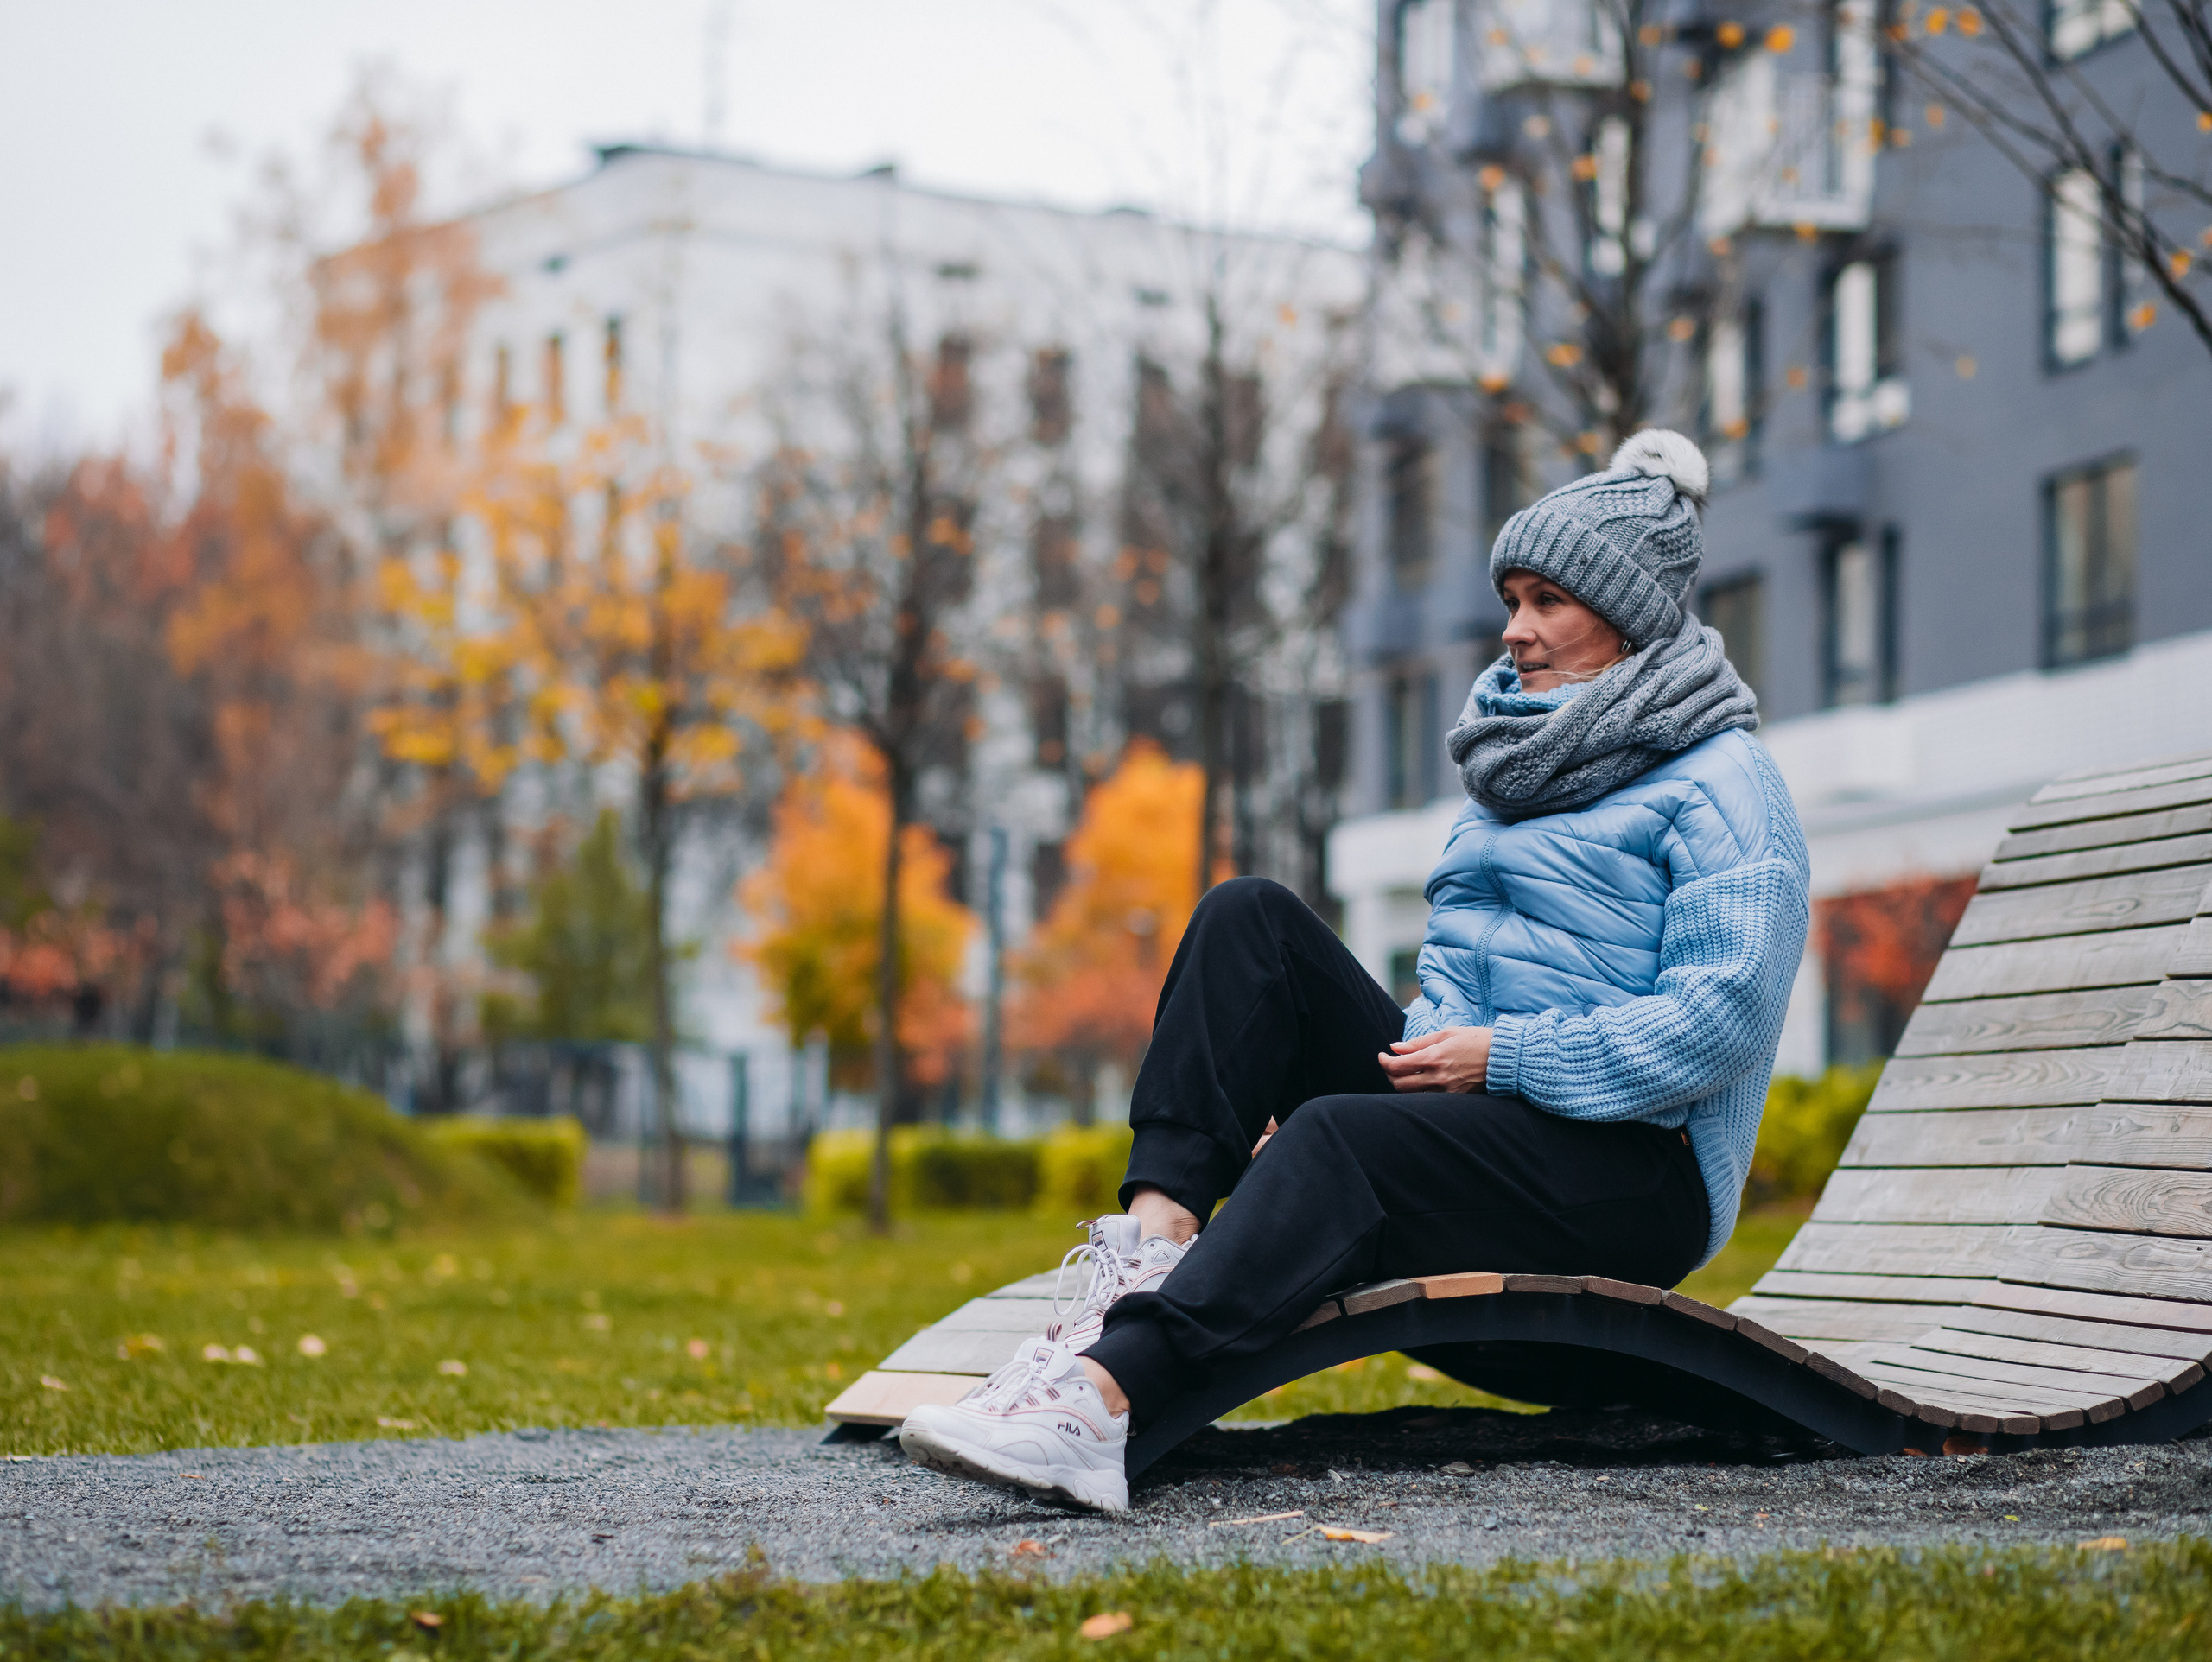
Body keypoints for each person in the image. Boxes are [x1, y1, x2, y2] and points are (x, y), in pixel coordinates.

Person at [899, 430, 1810, 1512]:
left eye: (1548, 601)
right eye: (1512, 597)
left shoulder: (1725, 781)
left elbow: (1719, 1024)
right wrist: (1425, 1065)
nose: (1515, 628)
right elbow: (1456, 993)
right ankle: (1151, 1245)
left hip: (1634, 1169)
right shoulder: (1515, 770)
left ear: (1630, 617)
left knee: (1343, 1135)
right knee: (1253, 919)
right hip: (1492, 1113)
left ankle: (1104, 1400)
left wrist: (1497, 1059)